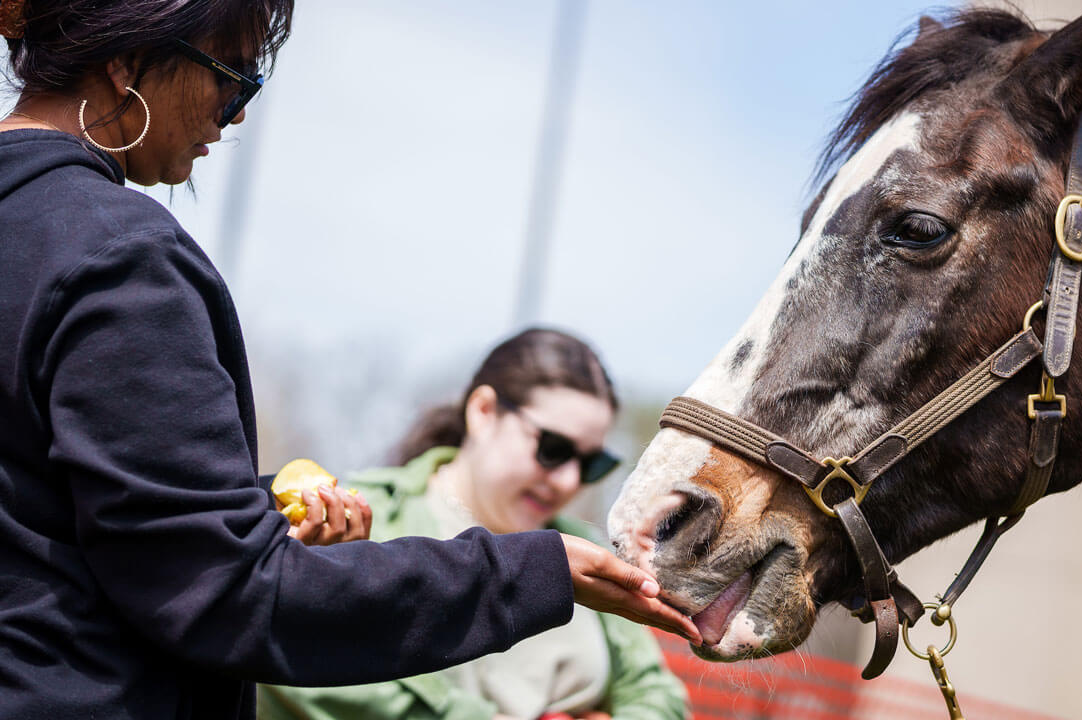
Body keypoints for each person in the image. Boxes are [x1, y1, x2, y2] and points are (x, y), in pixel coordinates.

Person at [0, 2, 699, 719]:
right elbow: (224, 595)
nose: (234, 115)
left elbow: (54, 507)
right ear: (125, 61)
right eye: (231, 76)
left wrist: (254, 514)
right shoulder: (120, 259)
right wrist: (532, 571)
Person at [260, 329, 689, 720]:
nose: (569, 480)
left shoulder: (583, 546)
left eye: (593, 463)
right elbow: (307, 672)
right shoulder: (354, 518)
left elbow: (659, 696)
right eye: (553, 448)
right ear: (483, 411)